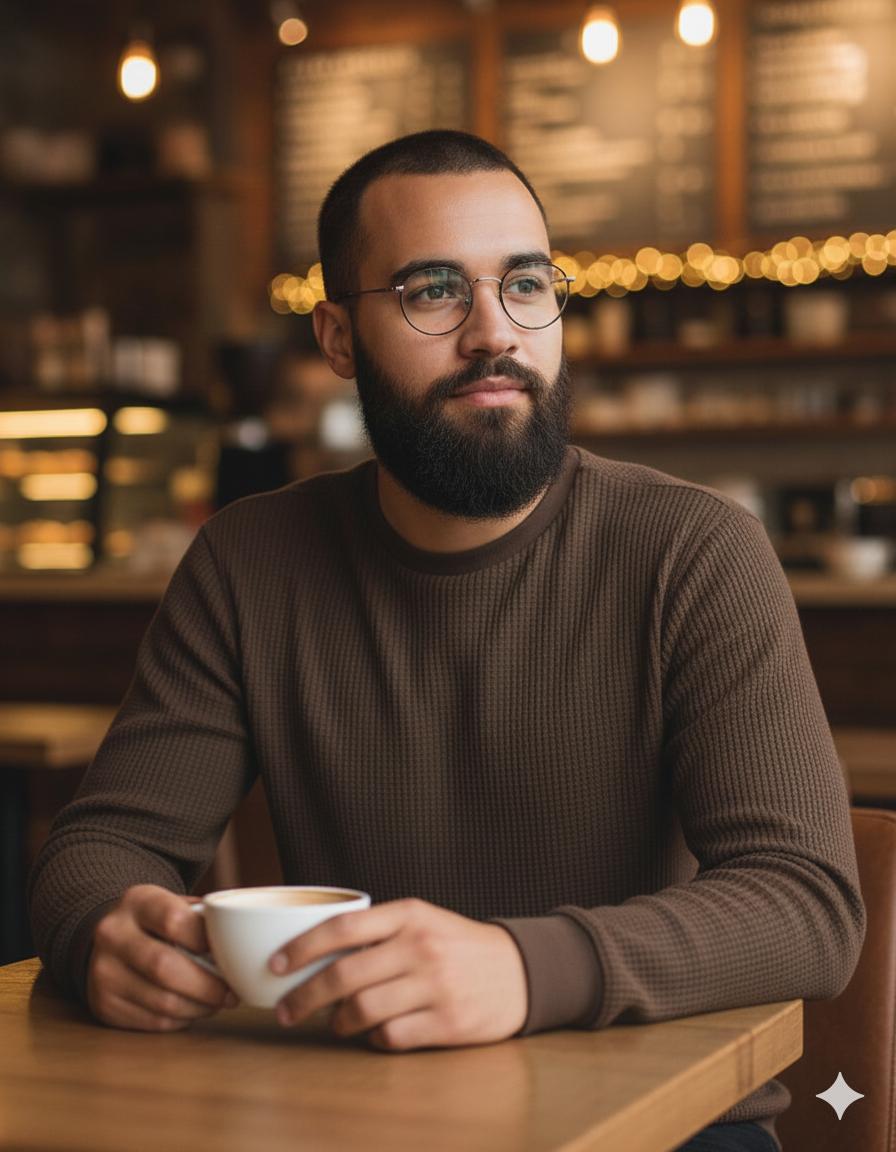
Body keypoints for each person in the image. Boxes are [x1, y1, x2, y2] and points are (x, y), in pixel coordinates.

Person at [30, 130, 863, 1152]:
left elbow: (808, 907)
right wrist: (100, 932)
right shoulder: (249, 563)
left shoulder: (693, 551)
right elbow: (101, 849)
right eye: (431, 291)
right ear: (337, 338)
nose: (492, 333)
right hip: (359, 1117)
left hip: (668, 1124)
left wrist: (520, 969)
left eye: (524, 283)